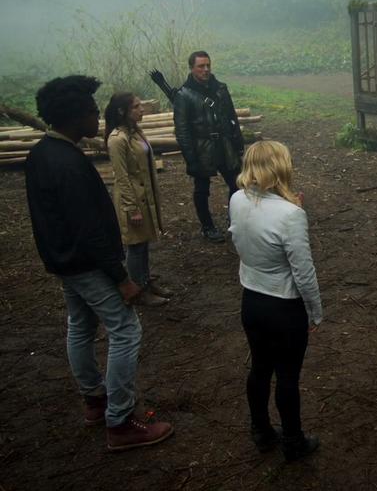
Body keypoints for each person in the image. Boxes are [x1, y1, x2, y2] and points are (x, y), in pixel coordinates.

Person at [25, 75, 173, 451]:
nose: (97, 117)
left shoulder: (42, 153)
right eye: (92, 112)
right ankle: (120, 421)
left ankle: (95, 401)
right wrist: (121, 277)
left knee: (80, 325)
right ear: (75, 116)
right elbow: (89, 229)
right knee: (126, 330)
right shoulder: (68, 164)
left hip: (65, 262)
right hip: (88, 265)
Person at [229, 140, 323, 461]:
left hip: (251, 301)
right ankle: (294, 441)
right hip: (284, 307)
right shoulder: (292, 215)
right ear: (280, 167)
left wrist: (290, 205)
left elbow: (250, 231)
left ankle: (261, 430)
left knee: (259, 368)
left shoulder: (237, 199)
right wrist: (315, 311)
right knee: (287, 376)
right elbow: (303, 271)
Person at [105, 92, 172, 307]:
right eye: (136, 107)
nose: (141, 109)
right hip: (132, 199)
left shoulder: (136, 132)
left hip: (144, 197)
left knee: (143, 243)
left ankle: (145, 281)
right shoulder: (117, 139)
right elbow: (121, 176)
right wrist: (131, 208)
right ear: (122, 111)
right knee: (135, 245)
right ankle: (138, 290)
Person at [174, 50, 245, 243]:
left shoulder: (220, 88)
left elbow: (232, 118)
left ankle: (236, 220)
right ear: (192, 68)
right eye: (201, 66)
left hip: (224, 144)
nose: (205, 70)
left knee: (237, 184)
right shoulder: (184, 94)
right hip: (201, 148)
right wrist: (191, 159)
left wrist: (238, 143)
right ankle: (207, 227)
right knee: (202, 189)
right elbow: (182, 131)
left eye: (208, 65)